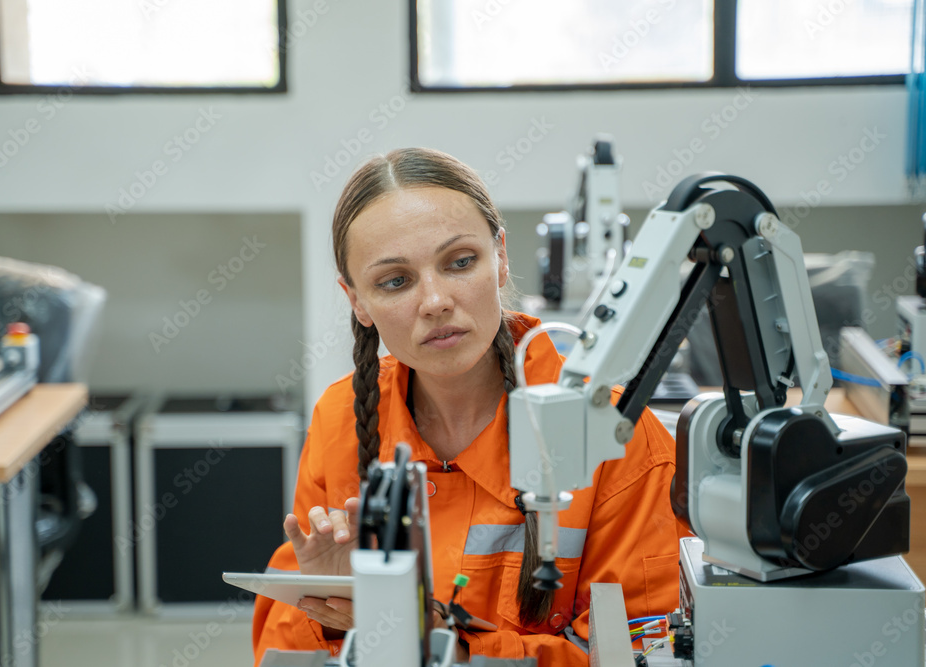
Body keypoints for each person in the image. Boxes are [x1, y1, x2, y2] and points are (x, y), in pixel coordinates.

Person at [252, 147, 685, 665]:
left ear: (500, 257)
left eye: (460, 262)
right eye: (396, 281)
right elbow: (281, 641)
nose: (435, 300)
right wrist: (325, 612)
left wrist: (445, 645)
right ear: (357, 302)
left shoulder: (612, 434)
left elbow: (642, 653)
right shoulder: (341, 417)